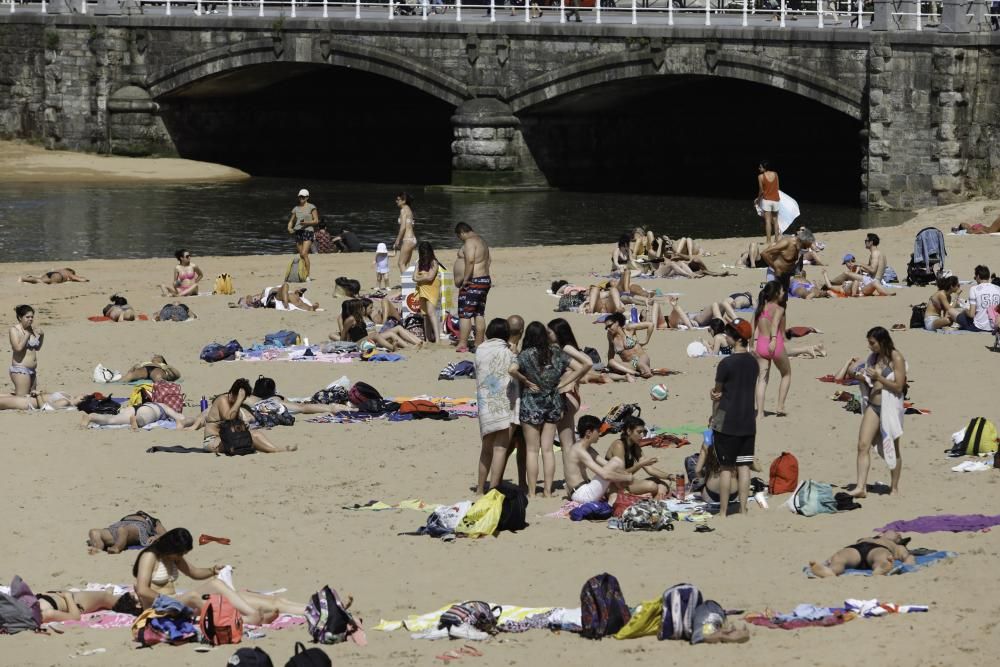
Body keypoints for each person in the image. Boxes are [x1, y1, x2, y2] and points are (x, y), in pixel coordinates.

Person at [132, 527, 307, 623]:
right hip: (159, 609)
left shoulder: (173, 557)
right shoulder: (150, 557)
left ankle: (309, 610)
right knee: (204, 592)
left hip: (177, 601)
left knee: (241, 596)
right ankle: (249, 617)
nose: (181, 558)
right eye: (180, 554)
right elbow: (142, 589)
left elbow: (193, 572)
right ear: (171, 549)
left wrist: (211, 570)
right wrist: (169, 600)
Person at [508, 321, 587, 497]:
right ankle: (548, 491)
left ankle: (531, 491)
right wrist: (564, 383)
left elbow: (512, 369)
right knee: (548, 450)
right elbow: (581, 367)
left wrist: (525, 381)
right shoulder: (556, 353)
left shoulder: (526, 355)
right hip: (553, 403)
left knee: (531, 450)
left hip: (531, 404)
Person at [848, 326, 907, 497]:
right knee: (862, 445)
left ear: (882, 341)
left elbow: (898, 386)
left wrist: (879, 377)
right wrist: (863, 376)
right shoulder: (873, 357)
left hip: (890, 408)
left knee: (893, 448)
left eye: (872, 343)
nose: (870, 346)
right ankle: (861, 487)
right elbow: (870, 381)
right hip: (873, 405)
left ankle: (894, 487)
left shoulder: (896, 357)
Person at [708, 318, 758, 516]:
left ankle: (722, 511)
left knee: (726, 468)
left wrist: (712, 403)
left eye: (728, 335)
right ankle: (743, 509)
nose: (725, 337)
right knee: (744, 466)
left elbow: (718, 393)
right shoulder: (753, 362)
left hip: (727, 420)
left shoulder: (726, 363)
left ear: (736, 339)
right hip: (747, 420)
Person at [547, 318, 602, 473]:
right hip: (572, 396)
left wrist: (566, 382)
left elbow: (585, 366)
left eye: (549, 331)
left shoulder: (565, 349)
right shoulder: (565, 349)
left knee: (565, 443)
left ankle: (572, 476)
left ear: (558, 333)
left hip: (567, 396)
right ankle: (573, 475)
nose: (546, 334)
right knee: (568, 442)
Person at [474, 318, 520, 494]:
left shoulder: (480, 350)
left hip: (486, 404)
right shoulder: (507, 353)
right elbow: (514, 370)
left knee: (486, 449)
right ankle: (493, 488)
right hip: (503, 404)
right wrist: (514, 352)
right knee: (500, 448)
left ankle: (479, 488)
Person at [190, 379, 296, 453]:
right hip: (214, 441)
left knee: (255, 434)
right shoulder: (222, 400)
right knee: (249, 439)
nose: (242, 401)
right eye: (242, 398)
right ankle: (274, 451)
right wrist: (239, 399)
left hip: (229, 437)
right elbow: (229, 417)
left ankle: (275, 448)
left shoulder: (235, 404)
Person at [565, 415, 634, 503]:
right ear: (589, 433)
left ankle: (616, 497)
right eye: (598, 430)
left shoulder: (586, 448)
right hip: (582, 494)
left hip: (584, 489)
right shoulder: (579, 450)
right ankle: (625, 490)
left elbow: (605, 464)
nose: (600, 433)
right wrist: (627, 477)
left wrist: (624, 474)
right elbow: (605, 474)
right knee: (616, 461)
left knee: (615, 465)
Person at [605, 416, 671, 499]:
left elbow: (650, 469)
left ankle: (657, 497)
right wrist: (640, 464)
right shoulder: (619, 445)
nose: (642, 436)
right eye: (639, 432)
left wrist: (670, 476)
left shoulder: (634, 446)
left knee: (665, 482)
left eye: (643, 432)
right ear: (629, 431)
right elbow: (621, 474)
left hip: (628, 482)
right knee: (652, 486)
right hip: (615, 485)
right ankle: (655, 498)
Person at [752, 282, 790, 418]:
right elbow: (774, 325)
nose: (783, 293)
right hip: (774, 344)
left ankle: (760, 413)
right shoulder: (779, 309)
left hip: (760, 345)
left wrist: (754, 344)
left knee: (762, 380)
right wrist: (774, 340)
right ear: (776, 294)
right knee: (786, 374)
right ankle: (780, 406)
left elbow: (755, 328)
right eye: (781, 291)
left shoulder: (760, 307)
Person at [455, 222, 492, 352]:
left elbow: (470, 261)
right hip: (484, 280)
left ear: (462, 233)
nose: (461, 240)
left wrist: (465, 280)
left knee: (465, 314)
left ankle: (463, 344)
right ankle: (478, 343)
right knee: (479, 313)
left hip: (473, 281)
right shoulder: (482, 241)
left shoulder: (470, 242)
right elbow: (489, 260)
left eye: (459, 237)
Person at [809, 531, 915, 577]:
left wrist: (907, 565)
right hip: (856, 549)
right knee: (840, 557)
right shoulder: (868, 538)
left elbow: (907, 557)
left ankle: (881, 568)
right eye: (897, 533)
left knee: (882, 557)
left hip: (878, 549)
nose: (898, 534)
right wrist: (829, 560)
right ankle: (831, 571)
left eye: (898, 536)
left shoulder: (895, 545)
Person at [760, 227, 815, 295]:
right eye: (805, 246)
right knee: (773, 295)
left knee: (784, 297)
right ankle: (766, 286)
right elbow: (764, 253)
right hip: (775, 273)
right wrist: (775, 267)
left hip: (786, 275)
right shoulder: (786, 242)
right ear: (801, 241)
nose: (806, 249)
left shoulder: (798, 247)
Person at [81, 397, 192, 431]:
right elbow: (180, 418)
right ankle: (136, 419)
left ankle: (91, 416)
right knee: (142, 420)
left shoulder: (154, 402)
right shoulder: (164, 406)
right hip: (150, 411)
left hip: (134, 407)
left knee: (112, 420)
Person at [38, 588, 142, 623]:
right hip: (75, 602)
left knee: (105, 597)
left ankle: (136, 602)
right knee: (104, 597)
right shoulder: (44, 613)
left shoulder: (28, 603)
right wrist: (67, 596)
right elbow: (75, 617)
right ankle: (137, 603)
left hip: (71, 598)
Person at [87, 511, 166, 555]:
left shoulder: (153, 520)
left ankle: (116, 548)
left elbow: (165, 534)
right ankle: (98, 547)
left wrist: (156, 537)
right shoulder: (129, 516)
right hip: (118, 525)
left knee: (123, 530)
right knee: (94, 532)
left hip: (138, 527)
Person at [604, 312, 654, 379]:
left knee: (639, 364)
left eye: (610, 326)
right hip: (629, 365)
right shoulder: (610, 336)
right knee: (611, 362)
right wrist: (609, 365)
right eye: (606, 327)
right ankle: (634, 373)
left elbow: (650, 325)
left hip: (640, 358)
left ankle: (641, 371)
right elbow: (611, 350)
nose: (608, 329)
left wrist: (646, 341)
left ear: (617, 323)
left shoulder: (628, 328)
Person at [413, 241, 442, 344]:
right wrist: (424, 276)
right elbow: (414, 277)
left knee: (430, 312)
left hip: (432, 288)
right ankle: (428, 338)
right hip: (422, 288)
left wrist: (421, 277)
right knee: (425, 314)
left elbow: (430, 278)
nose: (424, 254)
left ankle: (437, 339)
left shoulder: (434, 262)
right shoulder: (418, 262)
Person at [956, 264, 1000, 332]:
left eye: (975, 277)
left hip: (979, 327)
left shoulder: (974, 289)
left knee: (952, 312)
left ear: (978, 276)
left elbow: (971, 315)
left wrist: (965, 310)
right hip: (995, 325)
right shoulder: (998, 288)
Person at [9, 304, 42, 395]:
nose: (30, 319)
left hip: (32, 370)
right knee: (22, 400)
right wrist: (27, 335)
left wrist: (42, 336)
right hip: (20, 369)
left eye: (32, 317)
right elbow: (18, 348)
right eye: (27, 317)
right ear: (20, 317)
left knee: (32, 397)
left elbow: (37, 348)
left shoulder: (31, 329)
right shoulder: (14, 330)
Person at [286, 188, 319, 279]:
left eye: (303, 197)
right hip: (298, 232)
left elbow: (316, 221)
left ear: (307, 197)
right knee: (301, 255)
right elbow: (291, 221)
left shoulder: (312, 207)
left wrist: (306, 223)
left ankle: (307, 275)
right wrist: (289, 227)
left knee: (304, 253)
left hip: (308, 231)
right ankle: (302, 273)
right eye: (300, 196)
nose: (301, 198)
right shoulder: (296, 208)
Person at [100, 355, 181, 383]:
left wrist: (168, 367)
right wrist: (134, 367)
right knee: (131, 375)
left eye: (158, 356)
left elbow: (177, 375)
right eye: (154, 356)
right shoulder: (145, 362)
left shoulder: (162, 365)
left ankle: (165, 387)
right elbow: (129, 372)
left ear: (162, 360)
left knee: (157, 378)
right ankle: (113, 382)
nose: (155, 356)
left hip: (157, 369)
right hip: (144, 369)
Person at [393, 192, 418, 278]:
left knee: (401, 263)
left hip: (407, 239)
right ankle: (410, 284)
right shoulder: (409, 210)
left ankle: (408, 284)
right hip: (413, 239)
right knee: (406, 264)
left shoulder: (403, 210)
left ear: (404, 201)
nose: (396, 201)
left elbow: (403, 227)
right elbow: (412, 225)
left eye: (398, 199)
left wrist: (397, 240)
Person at [756, 161, 781, 246]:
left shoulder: (760, 177)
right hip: (776, 199)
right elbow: (778, 187)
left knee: (767, 221)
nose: (759, 168)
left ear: (764, 168)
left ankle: (768, 240)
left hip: (767, 200)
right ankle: (777, 240)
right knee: (775, 220)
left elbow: (761, 191)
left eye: (760, 167)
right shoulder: (775, 174)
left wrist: (758, 199)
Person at [0, 390, 83, 411]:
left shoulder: (66, 402)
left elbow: (45, 408)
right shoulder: (69, 397)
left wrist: (38, 395)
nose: (83, 393)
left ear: (82, 399)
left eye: (86, 395)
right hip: (27, 398)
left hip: (26, 403)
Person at [19, 268, 89, 284]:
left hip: (51, 273)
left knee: (40, 279)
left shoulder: (61, 270)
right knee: (40, 281)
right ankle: (23, 279)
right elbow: (75, 278)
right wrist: (84, 279)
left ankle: (29, 278)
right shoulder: (69, 273)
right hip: (58, 276)